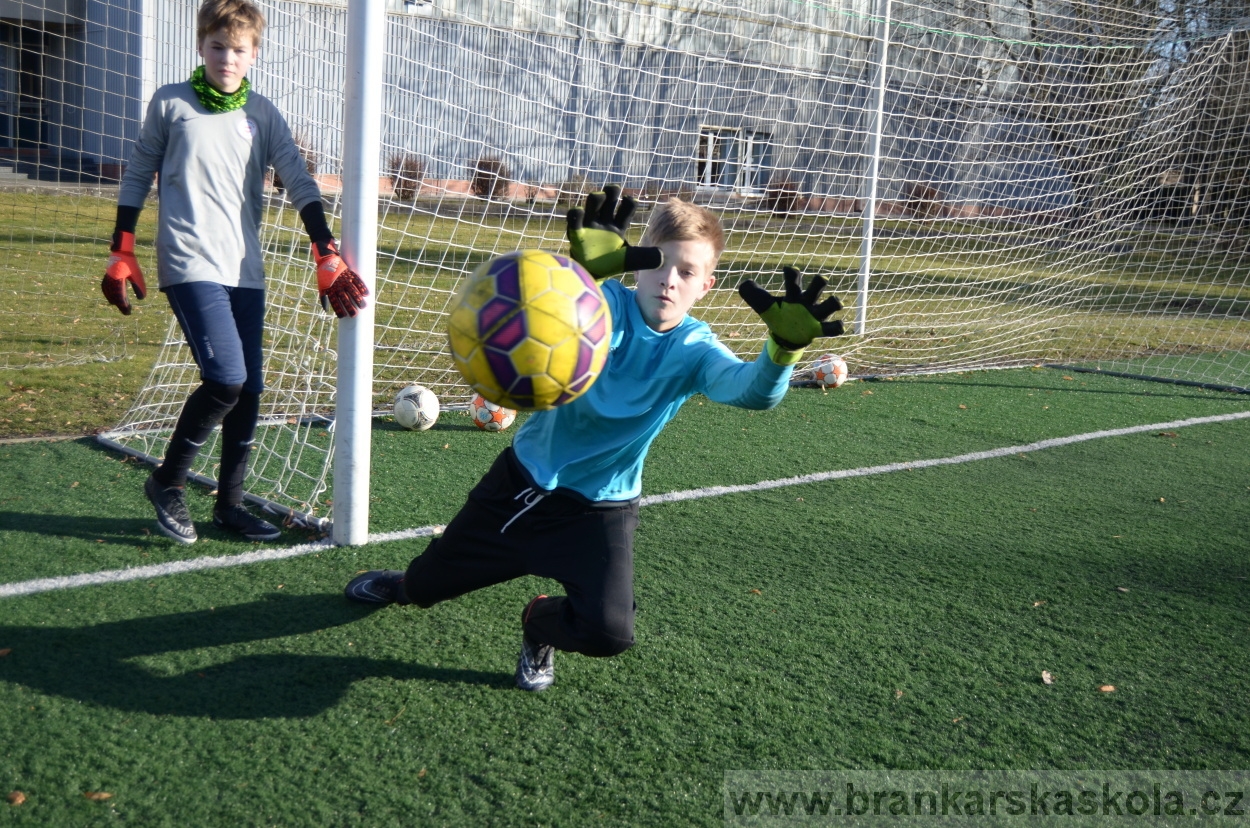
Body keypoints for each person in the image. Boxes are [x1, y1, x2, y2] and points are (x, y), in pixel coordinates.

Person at [345, 185, 842, 691]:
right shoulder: (597, 307)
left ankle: (539, 623)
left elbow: (751, 392)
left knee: (609, 633)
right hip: (524, 485)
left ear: (705, 286)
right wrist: (581, 277)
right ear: (638, 264)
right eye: (660, 263)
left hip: (601, 510)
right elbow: (543, 311)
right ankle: (405, 585)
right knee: (425, 587)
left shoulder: (694, 348)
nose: (670, 280)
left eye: (687, 272)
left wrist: (783, 348)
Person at [101, 0, 368, 545]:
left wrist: (325, 250)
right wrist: (121, 248)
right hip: (189, 260)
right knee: (226, 378)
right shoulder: (171, 102)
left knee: (250, 390)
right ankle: (168, 481)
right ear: (201, 46)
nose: (227, 57)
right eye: (218, 46)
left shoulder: (263, 114)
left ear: (254, 55)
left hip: (245, 269)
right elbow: (138, 172)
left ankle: (230, 506)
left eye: (238, 49)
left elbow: (299, 180)